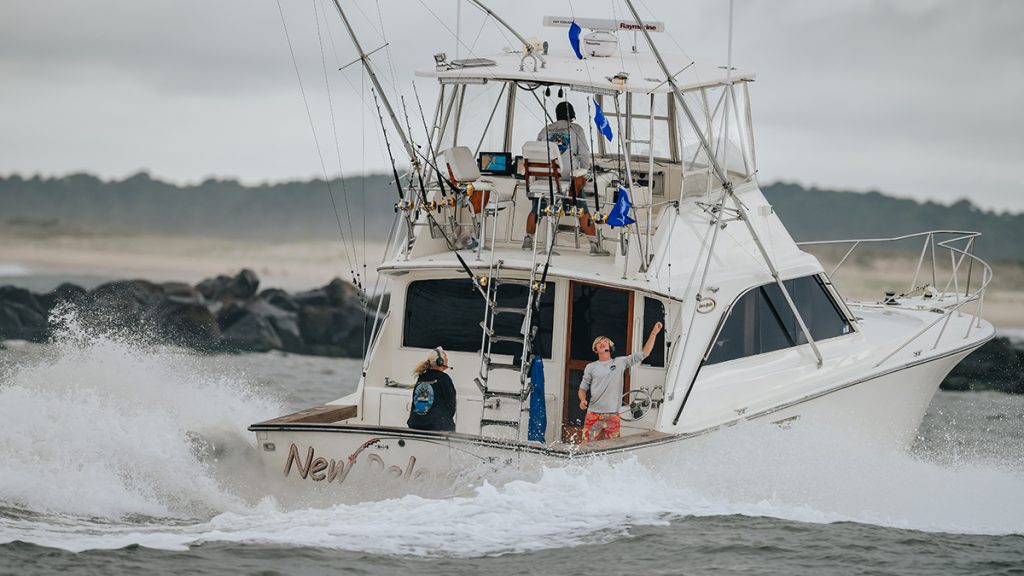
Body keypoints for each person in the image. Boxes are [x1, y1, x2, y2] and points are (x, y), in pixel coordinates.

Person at [523, 101, 609, 256]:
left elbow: (537, 154)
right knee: (582, 209)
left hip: (545, 179)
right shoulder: (576, 129)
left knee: (535, 209)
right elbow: (584, 154)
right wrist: (584, 172)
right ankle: (594, 246)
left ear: (557, 115)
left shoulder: (544, 130)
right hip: (567, 180)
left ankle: (528, 241)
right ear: (572, 114)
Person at [578, 321, 663, 443]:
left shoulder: (620, 362)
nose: (601, 343)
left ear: (610, 346)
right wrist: (582, 400)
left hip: (613, 415)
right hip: (593, 414)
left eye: (605, 341)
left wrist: (654, 333)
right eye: (598, 342)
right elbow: (582, 389)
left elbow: (645, 353)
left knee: (612, 447)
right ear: (595, 349)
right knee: (586, 446)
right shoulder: (590, 367)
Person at [407, 347, 457, 432]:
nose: (447, 359)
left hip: (415, 425)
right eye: (446, 358)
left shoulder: (421, 377)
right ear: (440, 361)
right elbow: (451, 405)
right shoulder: (444, 378)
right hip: (437, 428)